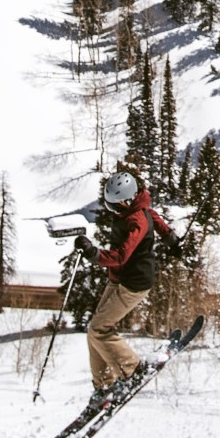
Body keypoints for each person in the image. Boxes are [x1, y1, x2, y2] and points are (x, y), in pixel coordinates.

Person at [75, 169, 183, 399]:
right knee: (95, 328)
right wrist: (171, 240)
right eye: (108, 204)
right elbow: (155, 219)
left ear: (126, 200)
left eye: (113, 205)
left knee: (99, 329)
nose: (110, 210)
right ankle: (104, 385)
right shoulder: (137, 210)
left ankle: (131, 369)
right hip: (119, 278)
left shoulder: (135, 222)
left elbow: (121, 255)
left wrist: (93, 253)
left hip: (134, 283)